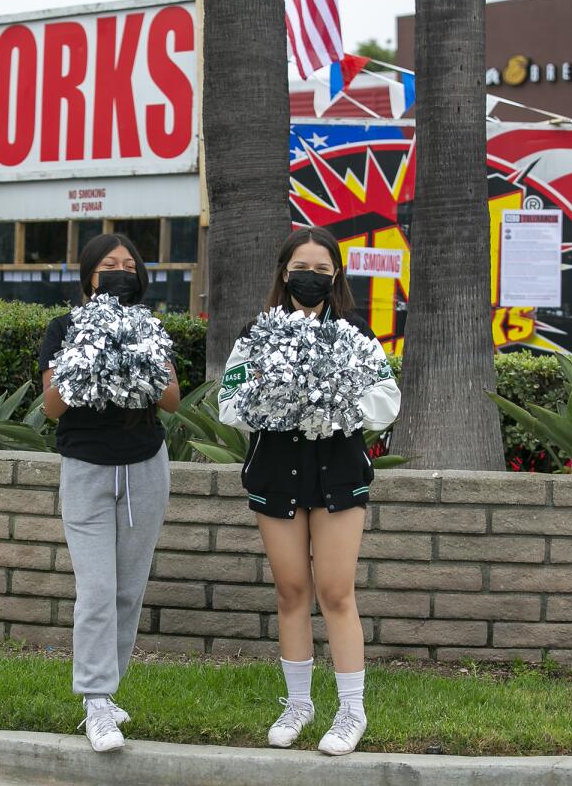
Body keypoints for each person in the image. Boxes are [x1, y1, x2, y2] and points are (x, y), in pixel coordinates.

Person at [218, 226, 400, 756]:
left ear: (336, 276)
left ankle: (351, 711)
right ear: (283, 271)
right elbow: (230, 403)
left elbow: (386, 400)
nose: (312, 277)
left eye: (324, 270)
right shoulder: (256, 333)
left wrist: (334, 404)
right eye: (304, 267)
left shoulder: (354, 333)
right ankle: (298, 704)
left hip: (338, 475)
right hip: (277, 473)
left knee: (337, 593)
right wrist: (278, 399)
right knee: (291, 591)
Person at [38, 233, 182, 753]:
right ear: (88, 276)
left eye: (129, 265)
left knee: (126, 591)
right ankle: (95, 700)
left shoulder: (151, 328)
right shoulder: (64, 328)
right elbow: (52, 407)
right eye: (108, 265)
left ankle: (107, 690)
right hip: (86, 470)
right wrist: (89, 352)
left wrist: (134, 354)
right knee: (96, 591)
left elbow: (171, 400)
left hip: (145, 468)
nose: (120, 271)